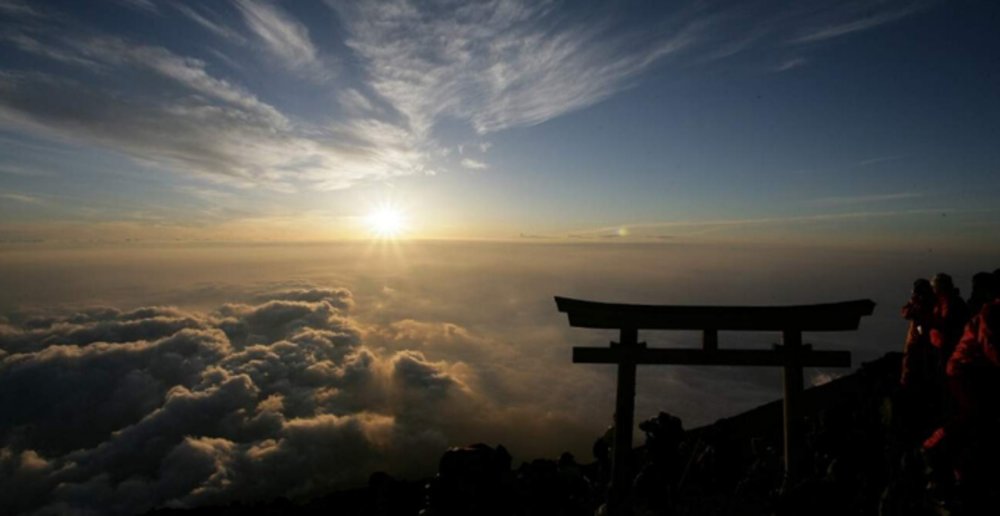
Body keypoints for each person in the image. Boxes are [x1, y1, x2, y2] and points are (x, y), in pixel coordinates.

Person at [900, 279, 936, 388]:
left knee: (915, 365)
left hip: (921, 339)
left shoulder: (929, 303)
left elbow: (908, 314)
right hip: (919, 338)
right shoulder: (919, 301)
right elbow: (905, 313)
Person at [928, 273, 970, 362]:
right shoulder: (941, 301)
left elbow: (946, 322)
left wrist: (929, 322)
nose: (933, 290)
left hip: (945, 344)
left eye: (934, 287)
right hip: (940, 343)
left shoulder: (950, 302)